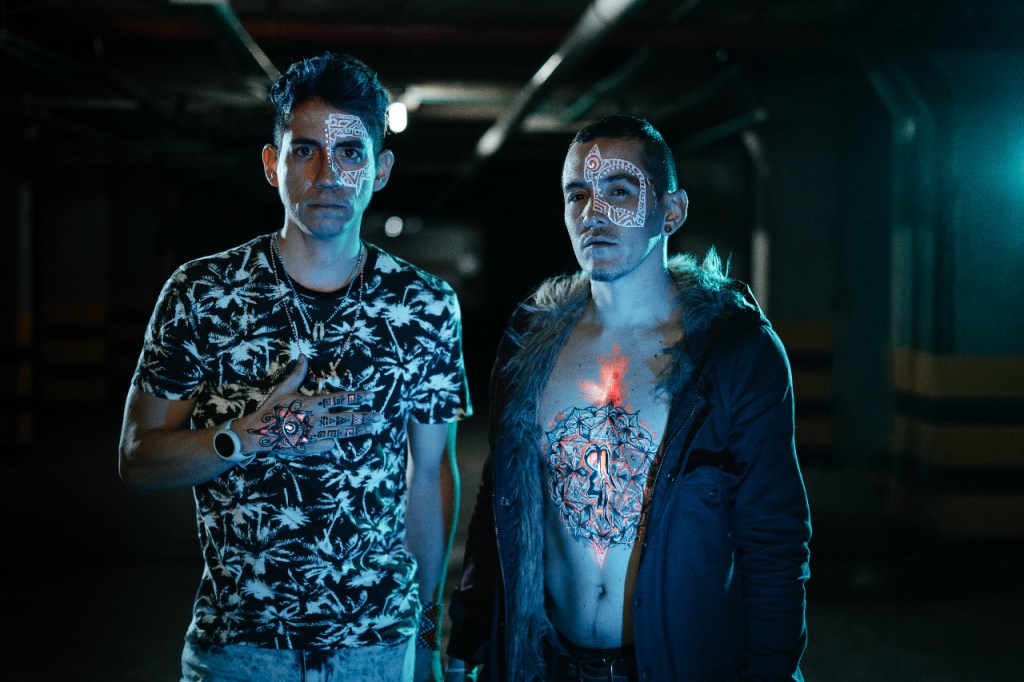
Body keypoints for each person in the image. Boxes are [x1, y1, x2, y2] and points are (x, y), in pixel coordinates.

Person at [118, 52, 471, 682]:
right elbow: (138, 460)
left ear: (381, 170)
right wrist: (248, 435)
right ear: (270, 164)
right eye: (305, 151)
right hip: (240, 647)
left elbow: (429, 476)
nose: (327, 174)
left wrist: (426, 636)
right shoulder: (202, 293)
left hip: (376, 646)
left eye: (350, 153)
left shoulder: (425, 305)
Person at [445, 115, 811, 681]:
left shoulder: (734, 352)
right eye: (577, 195)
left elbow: (773, 537)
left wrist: (773, 671)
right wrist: (469, 639)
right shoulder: (529, 340)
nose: (594, 213)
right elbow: (500, 498)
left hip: (678, 667)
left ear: (672, 211)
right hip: (547, 665)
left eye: (618, 191)